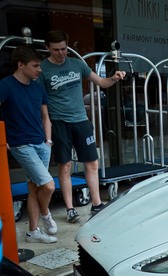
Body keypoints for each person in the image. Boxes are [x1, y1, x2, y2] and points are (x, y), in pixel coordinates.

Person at [39, 30, 126, 223]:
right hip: (59, 122)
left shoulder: (77, 64)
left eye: (63, 48)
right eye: (56, 50)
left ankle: (96, 205)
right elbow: (40, 101)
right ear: (48, 48)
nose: (61, 53)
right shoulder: (42, 69)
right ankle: (70, 209)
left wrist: (114, 77)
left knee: (92, 163)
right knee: (65, 165)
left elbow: (101, 82)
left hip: (81, 120)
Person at [0, 46, 57, 243]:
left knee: (35, 188)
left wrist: (48, 141)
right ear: (21, 65)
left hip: (42, 143)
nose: (39, 70)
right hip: (21, 144)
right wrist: (3, 139)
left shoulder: (38, 87)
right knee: (48, 186)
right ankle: (46, 215)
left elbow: (45, 116)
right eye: (35, 66)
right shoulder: (5, 86)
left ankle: (33, 232)